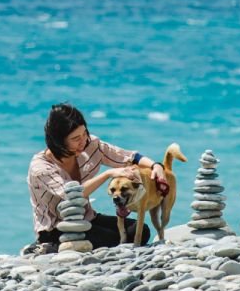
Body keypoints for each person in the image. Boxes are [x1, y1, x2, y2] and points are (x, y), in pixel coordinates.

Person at [24, 103, 169, 254]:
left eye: (84, 133)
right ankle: (46, 246)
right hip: (55, 227)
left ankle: (65, 247)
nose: (83, 141)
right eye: (75, 138)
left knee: (139, 231)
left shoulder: (90, 144)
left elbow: (128, 156)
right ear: (59, 141)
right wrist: (107, 174)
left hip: (87, 218)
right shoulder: (40, 167)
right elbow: (72, 195)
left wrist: (156, 166)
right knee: (112, 238)